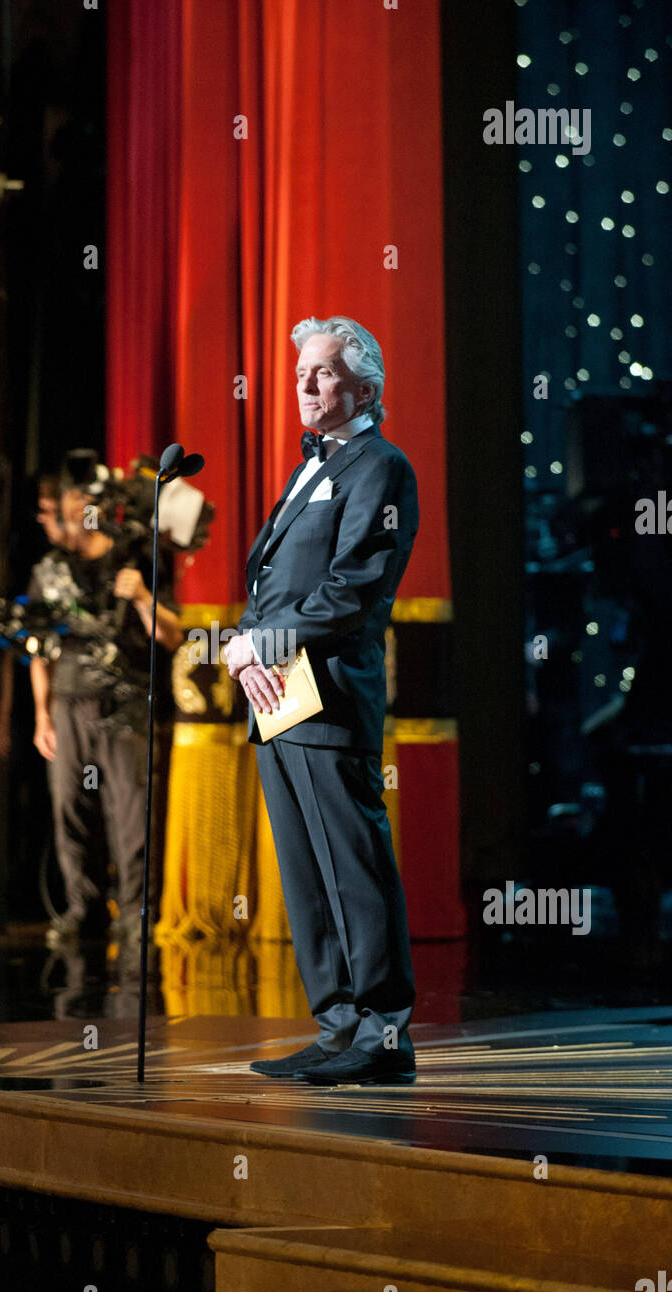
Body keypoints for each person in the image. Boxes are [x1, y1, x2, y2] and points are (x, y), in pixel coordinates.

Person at [224, 315, 419, 1086]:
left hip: (330, 694)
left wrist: (262, 645)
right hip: (277, 696)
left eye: (323, 372)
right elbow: (270, 584)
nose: (304, 385)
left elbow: (354, 588)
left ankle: (384, 1033)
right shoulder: (310, 465)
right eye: (301, 371)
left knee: (353, 863)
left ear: (364, 387)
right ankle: (339, 1024)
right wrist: (246, 652)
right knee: (306, 870)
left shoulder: (381, 465)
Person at [29, 478, 183, 954]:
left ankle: (138, 913)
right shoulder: (51, 571)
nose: (47, 518)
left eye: (56, 506)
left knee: (132, 814)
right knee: (70, 808)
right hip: (69, 703)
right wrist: (42, 715)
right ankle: (85, 910)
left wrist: (140, 597)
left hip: (126, 702)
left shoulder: (135, 557)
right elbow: (39, 648)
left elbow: (173, 636)